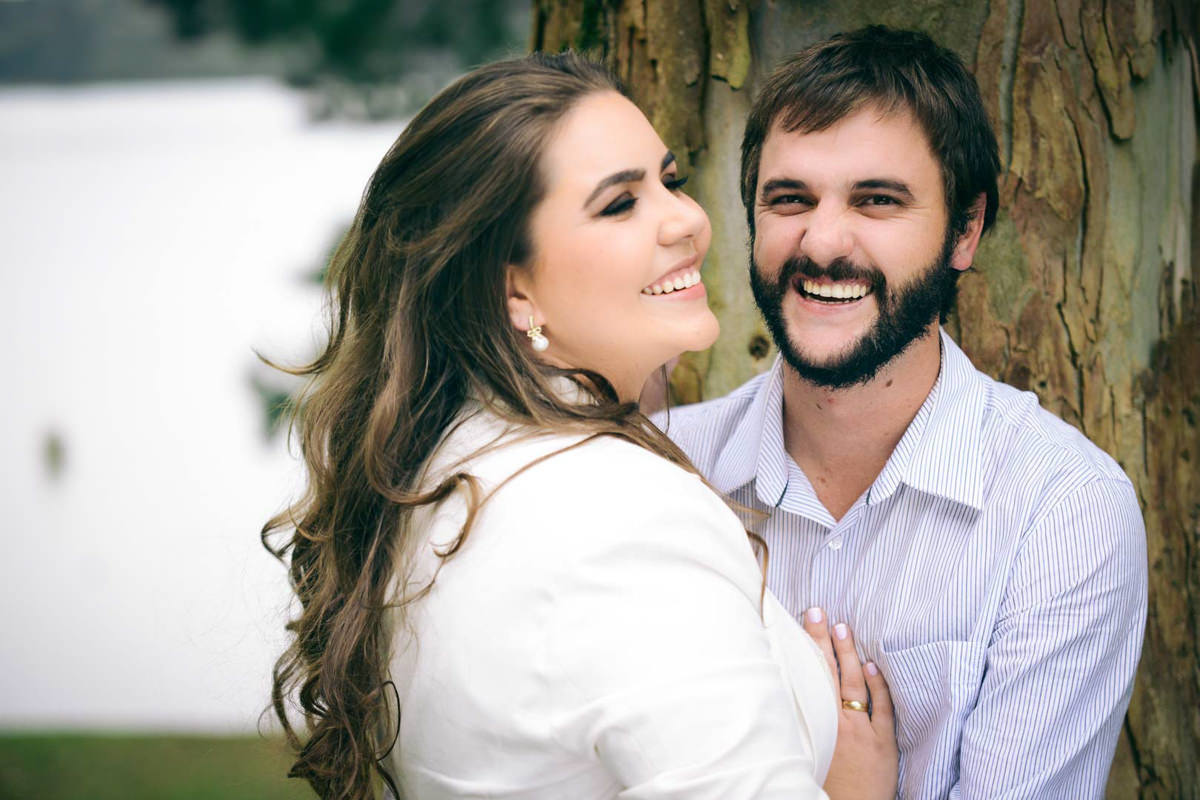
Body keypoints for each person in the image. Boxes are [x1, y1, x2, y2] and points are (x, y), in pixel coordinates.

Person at [264, 52, 900, 800]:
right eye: (619, 204)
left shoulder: (443, 473)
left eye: (670, 181)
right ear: (513, 290)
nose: (689, 221)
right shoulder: (620, 516)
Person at [658, 26, 1148, 799]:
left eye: (877, 201)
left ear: (965, 230)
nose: (823, 242)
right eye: (790, 199)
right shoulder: (661, 471)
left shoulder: (1063, 512)